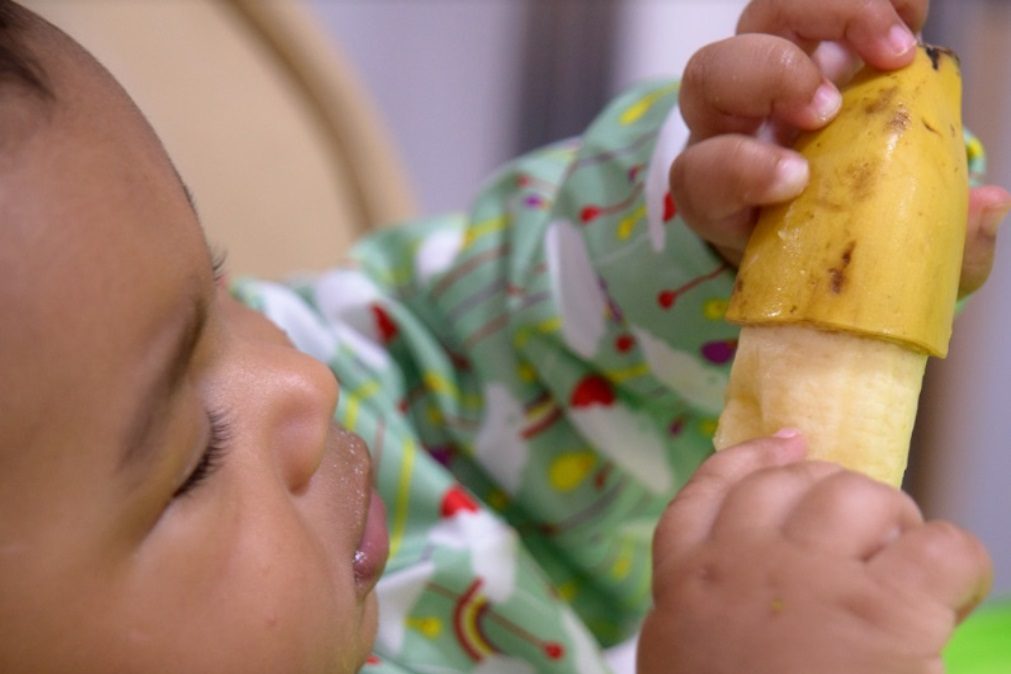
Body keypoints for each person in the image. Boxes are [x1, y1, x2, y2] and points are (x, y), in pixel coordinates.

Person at [0, 0, 1005, 672]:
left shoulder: (350, 409)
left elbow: (497, 351)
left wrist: (706, 231)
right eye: (189, 460)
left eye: (221, 290)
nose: (299, 378)